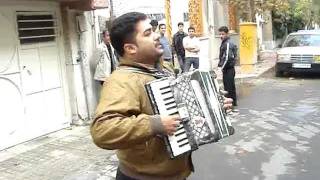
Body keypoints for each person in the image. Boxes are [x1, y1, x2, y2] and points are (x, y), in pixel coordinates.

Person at [90, 12, 233, 180]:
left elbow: (183, 108)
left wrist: (213, 104)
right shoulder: (122, 80)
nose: (157, 36)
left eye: (154, 30)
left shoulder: (163, 69)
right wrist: (154, 124)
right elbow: (102, 130)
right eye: (148, 33)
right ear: (130, 48)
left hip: (176, 173)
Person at [218, 26, 238, 107]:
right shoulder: (225, 42)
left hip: (228, 69)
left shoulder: (228, 43)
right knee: (229, 87)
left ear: (227, 34)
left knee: (229, 88)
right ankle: (232, 104)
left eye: (223, 34)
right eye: (220, 34)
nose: (221, 36)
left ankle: (230, 105)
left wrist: (221, 68)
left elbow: (227, 57)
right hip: (228, 69)